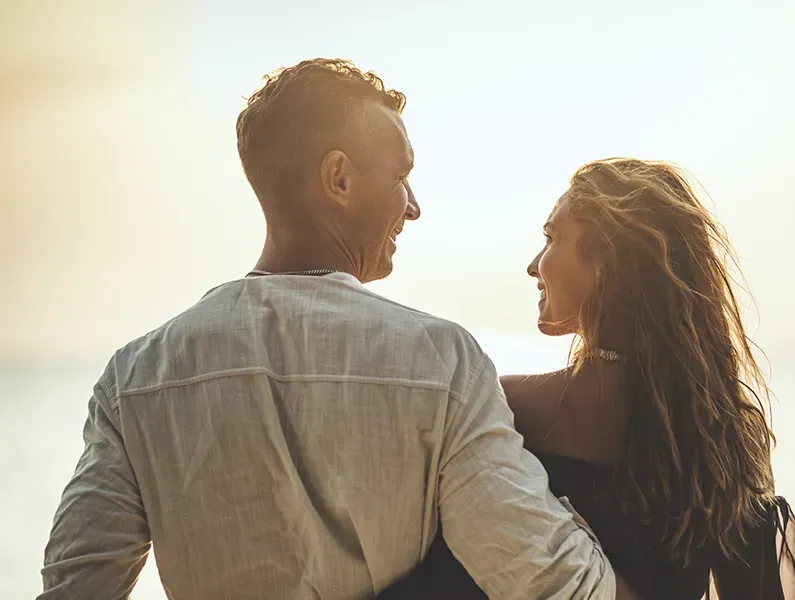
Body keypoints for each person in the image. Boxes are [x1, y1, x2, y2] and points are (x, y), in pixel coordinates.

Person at [38, 58, 628, 599]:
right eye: (401, 175)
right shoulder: (440, 360)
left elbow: (75, 587)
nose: (414, 205)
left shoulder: (137, 378)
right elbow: (552, 584)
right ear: (339, 179)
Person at [380, 158, 795, 600]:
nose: (534, 265)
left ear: (603, 261)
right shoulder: (722, 430)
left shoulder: (509, 405)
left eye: (551, 238)